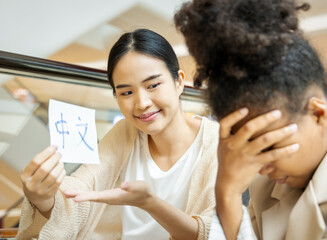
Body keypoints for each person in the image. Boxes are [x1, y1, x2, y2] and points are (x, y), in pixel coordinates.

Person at [174, 0, 327, 239]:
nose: (262, 167)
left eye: (269, 145)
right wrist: (227, 193)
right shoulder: (265, 183)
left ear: (317, 113)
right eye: (251, 146)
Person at [16, 29, 219, 240]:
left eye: (153, 85)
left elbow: (215, 232)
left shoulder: (219, 143)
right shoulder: (124, 132)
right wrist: (40, 196)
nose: (142, 103)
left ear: (178, 82)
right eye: (126, 92)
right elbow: (82, 189)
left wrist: (150, 203)